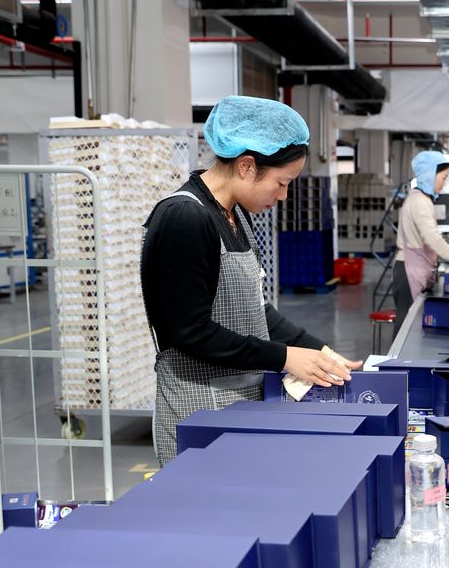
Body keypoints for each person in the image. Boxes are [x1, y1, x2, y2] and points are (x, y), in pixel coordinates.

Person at [141, 95, 362, 464]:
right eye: (281, 182)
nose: (283, 195)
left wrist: (320, 352)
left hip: (237, 398)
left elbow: (254, 308)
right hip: (199, 408)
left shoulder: (234, 215)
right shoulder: (185, 218)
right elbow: (189, 331)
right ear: (246, 166)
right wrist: (285, 357)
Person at [393, 150, 449, 336]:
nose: (444, 183)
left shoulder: (421, 199)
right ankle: (396, 363)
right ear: (430, 174)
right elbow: (432, 238)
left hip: (411, 267)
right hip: (407, 270)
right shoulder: (420, 202)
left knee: (409, 323)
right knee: (405, 325)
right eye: (443, 178)